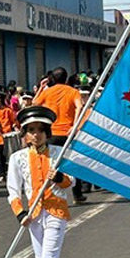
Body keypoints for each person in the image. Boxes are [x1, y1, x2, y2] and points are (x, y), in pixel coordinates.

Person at [7, 106, 74, 258]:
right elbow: (13, 191)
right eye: (31, 130)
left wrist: (59, 178)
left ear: (47, 132)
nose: (36, 134)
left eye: (40, 130)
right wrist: (20, 213)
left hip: (56, 211)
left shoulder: (58, 154)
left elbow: (71, 181)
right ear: (25, 133)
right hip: (34, 214)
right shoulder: (17, 158)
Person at [34, 67, 86, 203]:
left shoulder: (48, 92)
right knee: (72, 162)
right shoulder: (73, 92)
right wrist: (75, 126)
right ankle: (77, 195)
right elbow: (79, 106)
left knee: (51, 165)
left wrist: (41, 87)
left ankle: (50, 194)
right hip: (67, 134)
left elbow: (34, 103)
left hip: (51, 133)